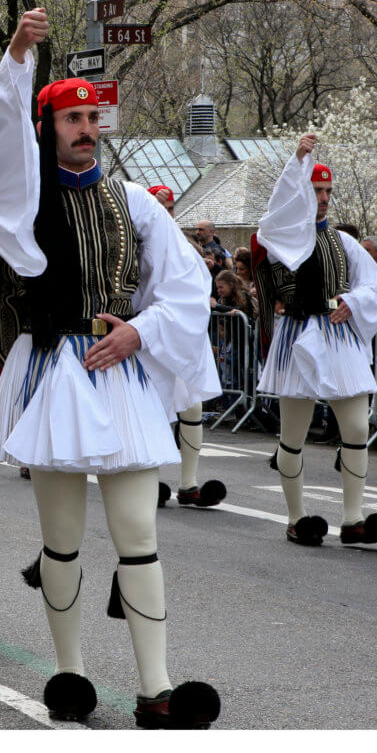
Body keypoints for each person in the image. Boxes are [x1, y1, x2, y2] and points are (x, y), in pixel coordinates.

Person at [0, 8, 220, 728]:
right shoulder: (20, 199)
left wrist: (141, 333)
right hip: (55, 369)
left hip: (119, 371)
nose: (84, 127)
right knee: (64, 536)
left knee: (138, 533)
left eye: (91, 116)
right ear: (47, 127)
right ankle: (70, 675)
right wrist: (19, 56)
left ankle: (157, 687)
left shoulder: (134, 199)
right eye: (70, 117)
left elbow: (186, 284)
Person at [253, 137, 377, 546]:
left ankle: (353, 518)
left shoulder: (344, 242)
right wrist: (298, 160)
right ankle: (297, 517)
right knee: (292, 435)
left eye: (328, 191)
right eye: (316, 190)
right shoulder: (279, 238)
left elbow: (372, 286)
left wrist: (352, 302)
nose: (325, 198)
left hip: (337, 335)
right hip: (298, 334)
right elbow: (276, 213)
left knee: (354, 425)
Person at [145, 184, 227, 511]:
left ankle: (188, 483)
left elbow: (199, 286)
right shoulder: (134, 245)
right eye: (159, 209)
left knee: (191, 408)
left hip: (182, 335)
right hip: (148, 335)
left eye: (169, 210)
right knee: (152, 409)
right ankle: (147, 480)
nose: (166, 216)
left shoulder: (184, 246)